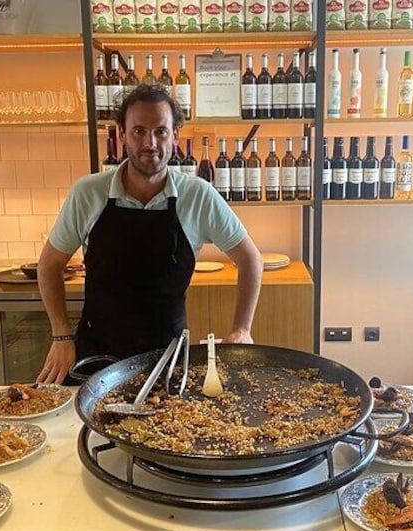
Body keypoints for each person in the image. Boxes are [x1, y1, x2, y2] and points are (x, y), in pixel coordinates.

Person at [36, 84, 263, 384]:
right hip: (95, 357)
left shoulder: (198, 195)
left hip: (167, 361)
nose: (150, 142)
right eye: (139, 131)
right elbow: (49, 265)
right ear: (122, 134)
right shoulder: (88, 193)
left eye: (160, 131)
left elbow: (251, 260)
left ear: (175, 136)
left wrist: (242, 329)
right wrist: (62, 336)